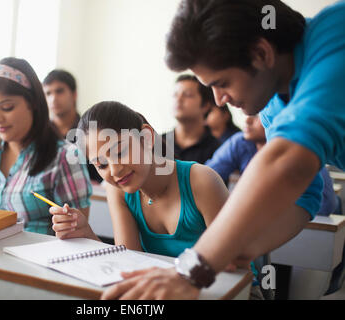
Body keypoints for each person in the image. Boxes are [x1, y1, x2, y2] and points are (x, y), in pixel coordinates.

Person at [102, 0, 345, 300]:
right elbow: (306, 196)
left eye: (222, 83)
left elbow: (287, 164)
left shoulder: (337, 34)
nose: (218, 101)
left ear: (261, 54)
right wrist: (243, 248)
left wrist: (194, 267)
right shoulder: (272, 103)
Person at [50, 101, 263, 298]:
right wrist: (86, 232)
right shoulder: (119, 191)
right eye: (102, 164)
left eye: (121, 151)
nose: (115, 170)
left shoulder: (202, 181)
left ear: (147, 138)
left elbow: (235, 266)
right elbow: (128, 262)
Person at [0, 57, 92, 235]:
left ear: (33, 103)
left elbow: (77, 233)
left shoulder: (65, 157)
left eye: (7, 107)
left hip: (42, 260)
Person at [205, 115, 339, 215]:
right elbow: (207, 176)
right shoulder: (240, 142)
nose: (247, 120)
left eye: (258, 115)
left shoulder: (300, 145)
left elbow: (325, 204)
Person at [43, 69, 103, 183]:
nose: (53, 99)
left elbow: (102, 177)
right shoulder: (40, 133)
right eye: (48, 93)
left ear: (74, 94)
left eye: (59, 91)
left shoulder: (91, 131)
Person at [161, 74, 220, 164]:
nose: (179, 99)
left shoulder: (217, 150)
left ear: (205, 106)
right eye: (175, 95)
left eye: (188, 95)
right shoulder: (159, 143)